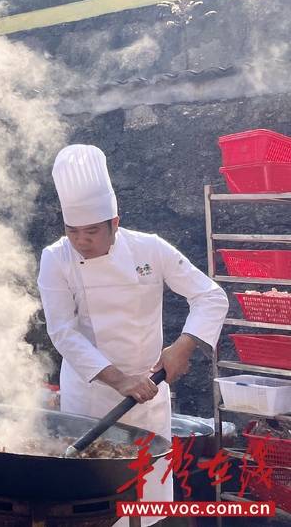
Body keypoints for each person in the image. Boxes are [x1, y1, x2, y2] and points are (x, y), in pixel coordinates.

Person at [38, 145, 228, 521]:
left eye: (92, 231)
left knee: (147, 505)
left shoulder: (150, 249)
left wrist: (183, 347)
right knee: (92, 506)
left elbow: (210, 296)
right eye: (72, 231)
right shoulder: (55, 257)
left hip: (147, 394)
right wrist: (117, 379)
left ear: (115, 222)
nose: (81, 241)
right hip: (88, 396)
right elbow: (62, 331)